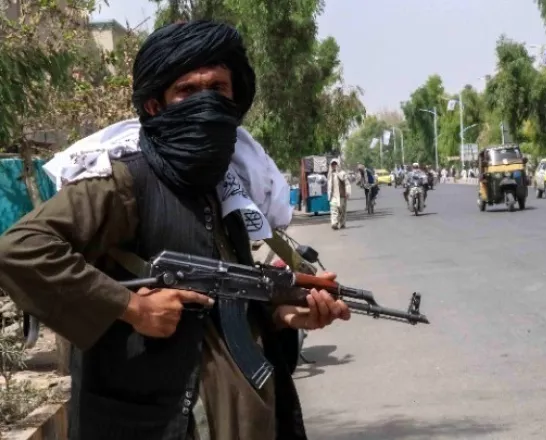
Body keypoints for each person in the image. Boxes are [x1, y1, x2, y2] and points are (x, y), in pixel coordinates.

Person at [0, 20, 350, 440]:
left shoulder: (225, 185)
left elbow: (224, 303)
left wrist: (282, 316)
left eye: (217, 88)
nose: (206, 103)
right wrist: (132, 307)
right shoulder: (124, 181)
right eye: (187, 91)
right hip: (155, 422)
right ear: (155, 106)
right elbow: (20, 249)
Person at [327, 158, 350, 230]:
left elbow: (347, 184)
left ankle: (342, 223)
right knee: (333, 209)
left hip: (341, 195)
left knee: (342, 211)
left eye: (335, 164)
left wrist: (348, 192)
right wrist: (329, 195)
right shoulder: (330, 174)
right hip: (333, 196)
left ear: (338, 165)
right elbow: (329, 186)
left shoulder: (342, 173)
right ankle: (334, 223)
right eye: (333, 164)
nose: (334, 166)